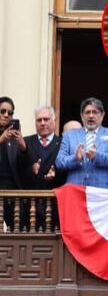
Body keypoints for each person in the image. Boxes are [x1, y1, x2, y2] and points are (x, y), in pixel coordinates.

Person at [55, 97, 108, 189]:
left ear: (102, 115)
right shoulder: (69, 136)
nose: (91, 116)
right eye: (87, 112)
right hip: (76, 190)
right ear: (82, 115)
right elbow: (59, 162)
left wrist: (96, 156)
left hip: (104, 190)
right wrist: (76, 158)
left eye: (95, 112)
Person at [23, 106, 64, 231]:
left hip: (54, 205)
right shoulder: (25, 142)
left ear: (54, 120)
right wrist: (31, 170)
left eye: (46, 119)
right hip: (29, 207)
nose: (42, 123)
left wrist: (56, 173)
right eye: (39, 120)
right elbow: (18, 170)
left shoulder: (63, 143)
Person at [0, 96, 27, 231]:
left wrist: (23, 148)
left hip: (11, 194)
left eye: (10, 113)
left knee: (18, 232)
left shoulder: (13, 137)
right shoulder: (4, 137)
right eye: (3, 111)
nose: (6, 115)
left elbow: (22, 166)